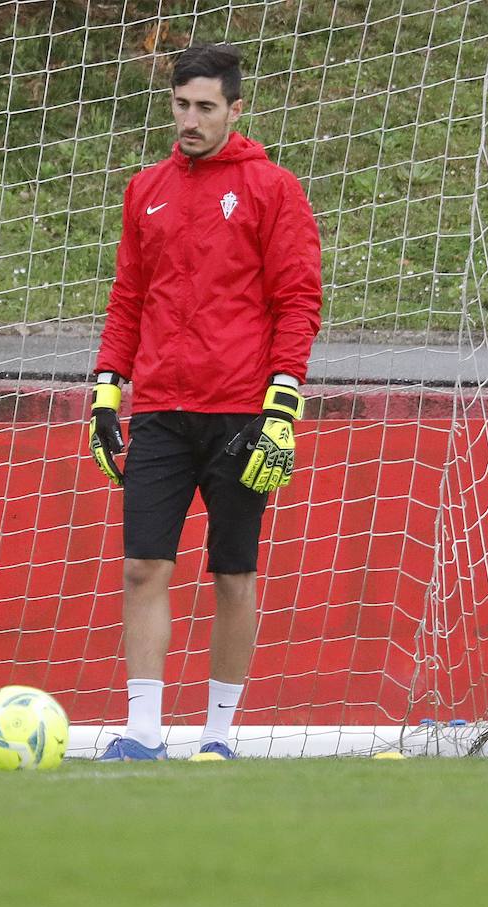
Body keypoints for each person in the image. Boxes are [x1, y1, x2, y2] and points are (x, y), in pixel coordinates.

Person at [88, 44, 322, 761]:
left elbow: (298, 300)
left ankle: (219, 737)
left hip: (242, 412)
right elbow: (129, 296)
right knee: (142, 568)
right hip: (160, 406)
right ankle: (143, 733)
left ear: (236, 109)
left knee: (233, 573)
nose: (190, 120)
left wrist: (282, 407)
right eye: (181, 105)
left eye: (205, 108)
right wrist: (106, 389)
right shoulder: (145, 189)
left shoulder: (272, 189)